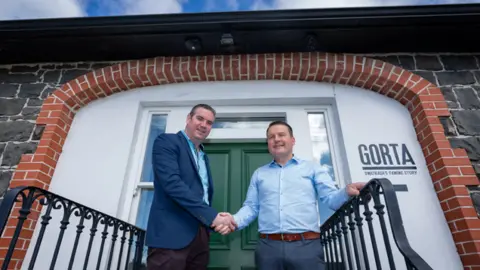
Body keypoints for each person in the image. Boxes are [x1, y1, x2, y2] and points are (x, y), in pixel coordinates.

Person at [213, 120, 366, 270]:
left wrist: (346, 192)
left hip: (306, 247)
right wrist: (234, 220)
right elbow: (251, 207)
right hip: (268, 249)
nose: (276, 139)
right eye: (271, 137)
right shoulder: (259, 174)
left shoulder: (312, 168)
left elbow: (331, 199)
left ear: (292, 140)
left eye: (281, 135)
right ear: (268, 143)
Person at [146, 104, 237, 270]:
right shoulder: (167, 141)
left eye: (209, 123)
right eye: (200, 118)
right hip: (171, 235)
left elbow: (202, 195)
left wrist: (215, 221)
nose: (204, 125)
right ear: (189, 118)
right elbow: (172, 184)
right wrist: (213, 216)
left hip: (200, 236)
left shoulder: (203, 155)